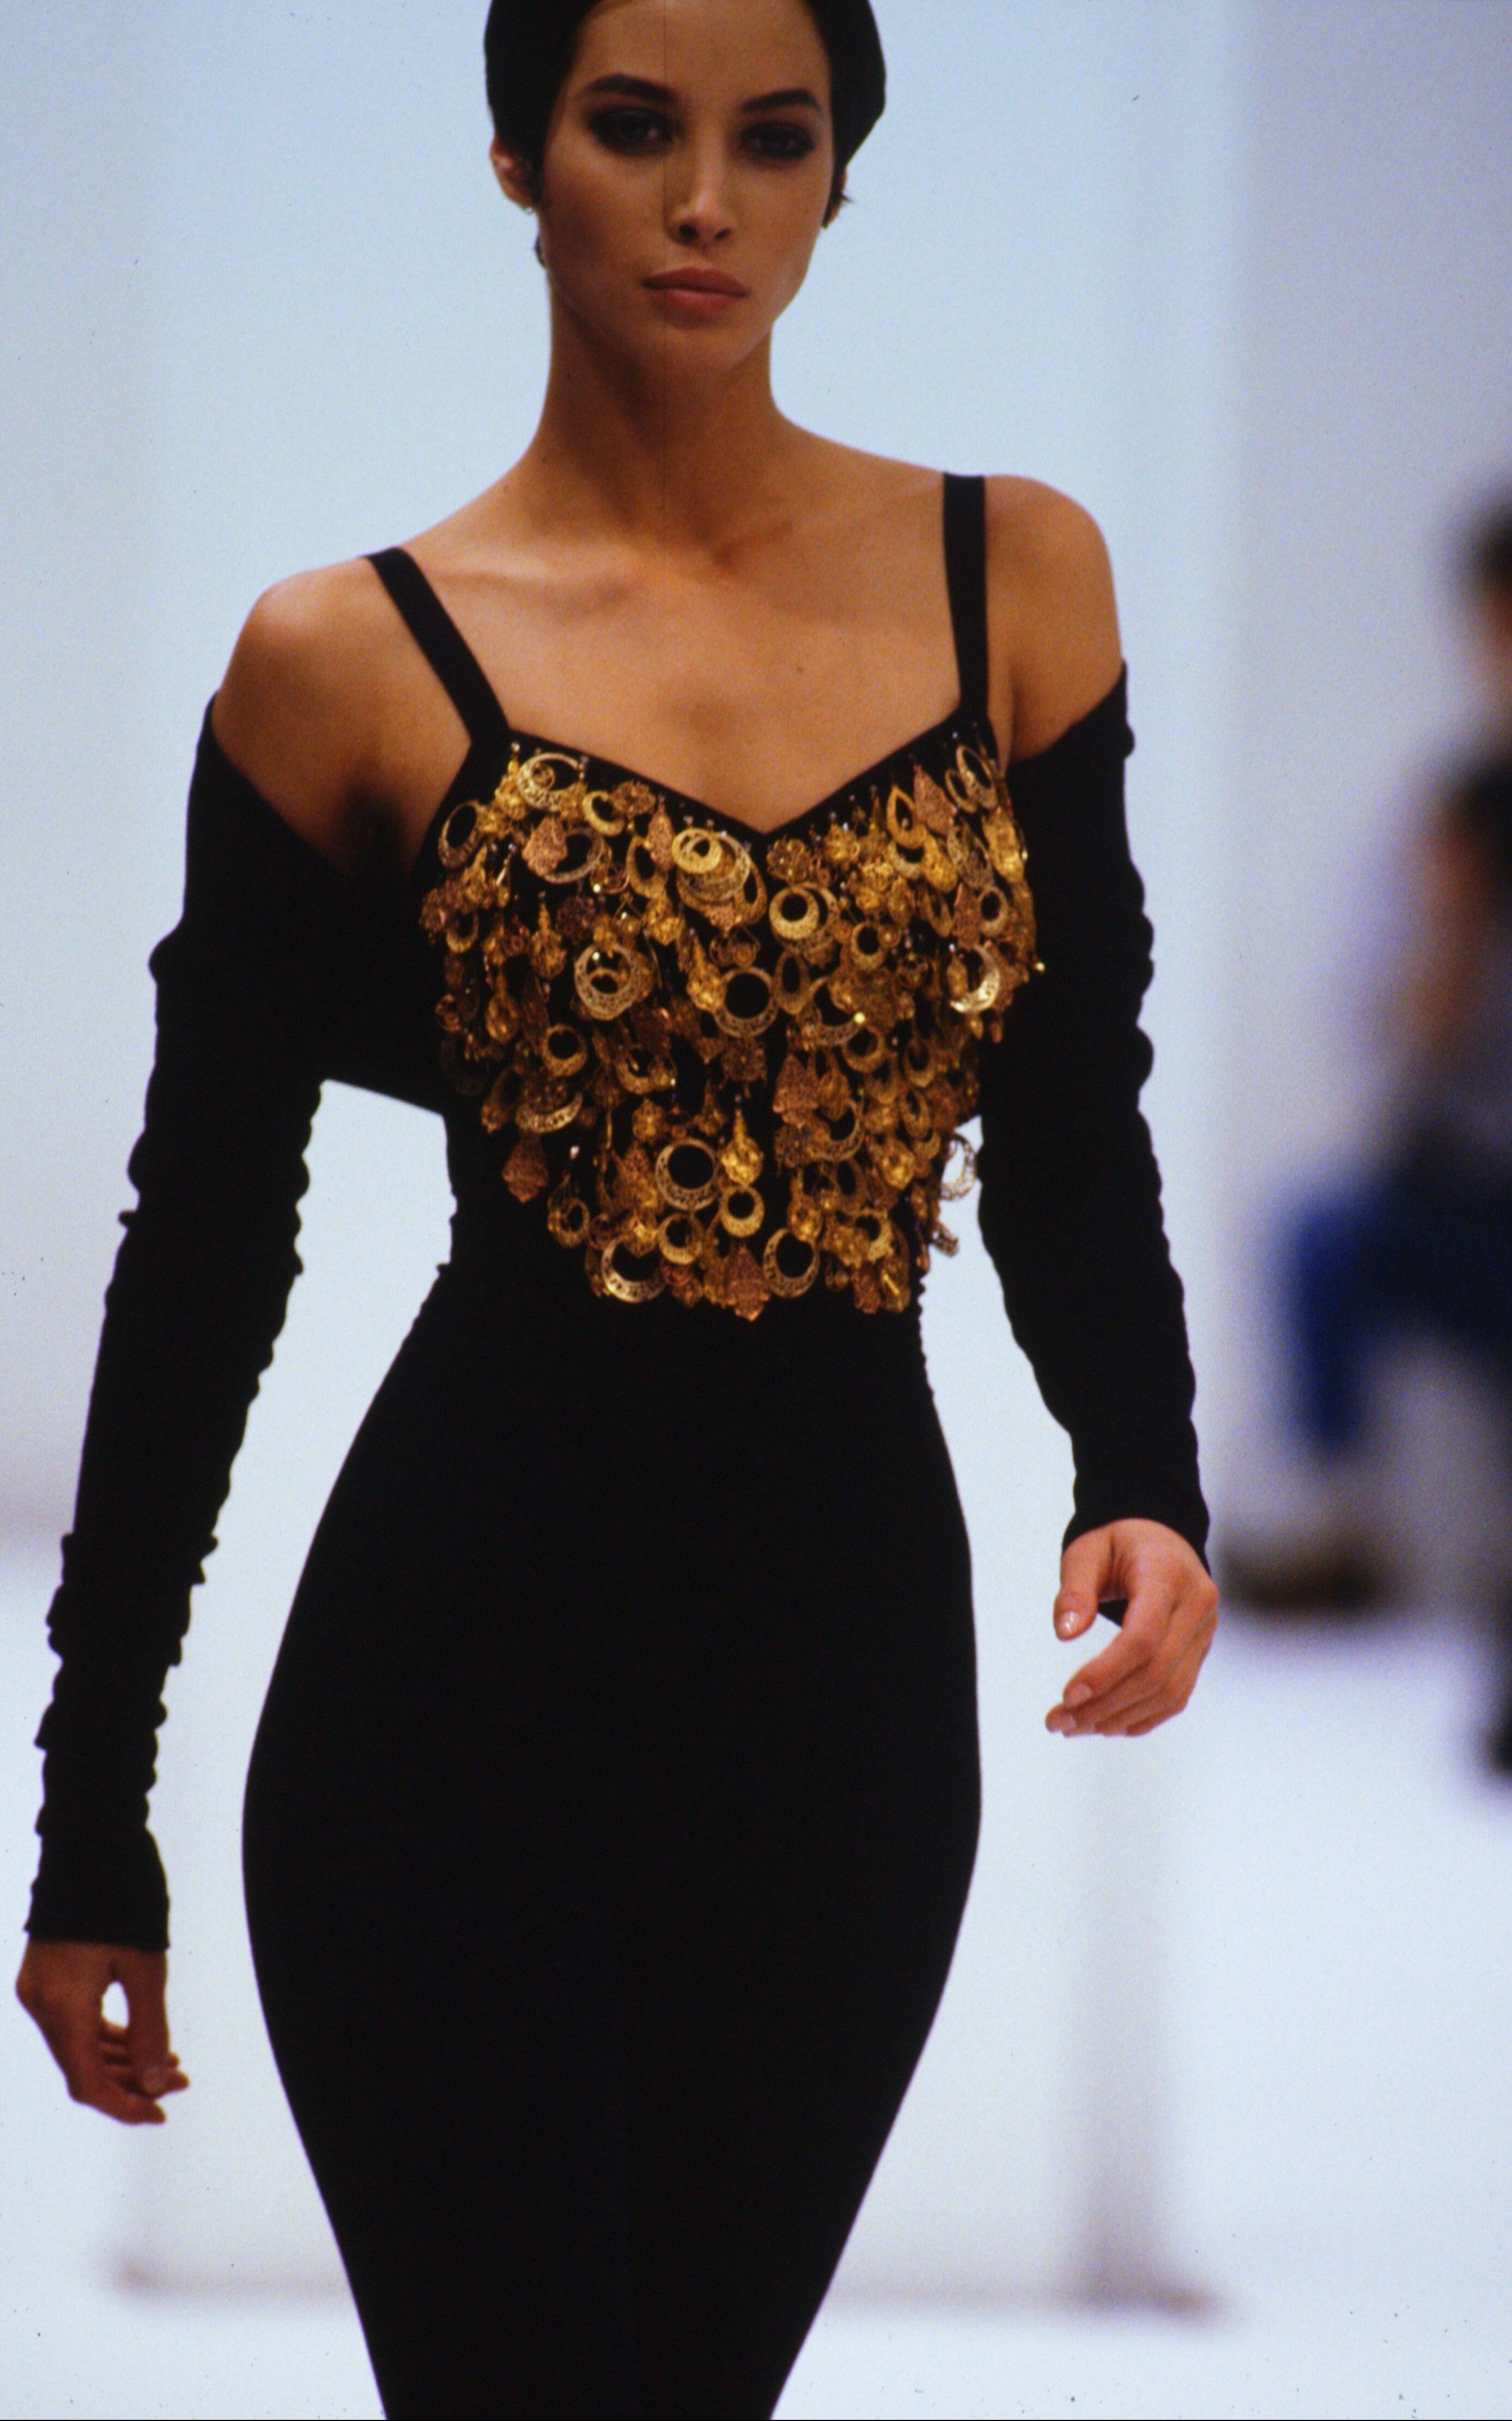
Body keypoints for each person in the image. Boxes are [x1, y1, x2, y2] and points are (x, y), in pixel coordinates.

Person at [15, 3, 1215, 2412]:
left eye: (774, 140)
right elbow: (204, 1254)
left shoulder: (1013, 580)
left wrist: (1142, 1463)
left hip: (846, 1710)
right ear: (515, 159)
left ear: (838, 181)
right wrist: (91, 1812)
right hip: (445, 1704)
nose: (702, 202)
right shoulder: (340, 663)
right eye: (634, 128)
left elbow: (1072, 1097)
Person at [1228, 492, 1512, 1778]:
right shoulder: (1454, 819)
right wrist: (1457, 912)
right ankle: (1339, 1528)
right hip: (1473, 1206)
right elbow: (1397, 1046)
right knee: (1322, 1234)